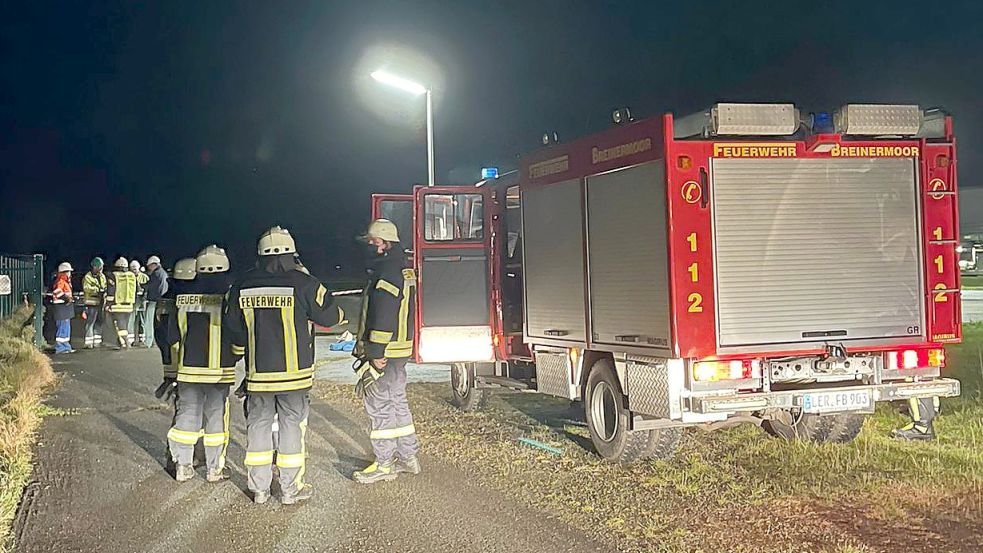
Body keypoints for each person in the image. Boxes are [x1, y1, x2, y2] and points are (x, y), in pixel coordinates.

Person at [224, 226, 345, 505]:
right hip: (295, 377)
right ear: (292, 253)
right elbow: (331, 316)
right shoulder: (304, 283)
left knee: (258, 428)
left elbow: (234, 329)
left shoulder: (242, 286)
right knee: (292, 428)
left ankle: (259, 489)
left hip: (259, 376)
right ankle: (291, 489)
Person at [352, 218, 420, 484]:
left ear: (385, 243)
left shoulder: (386, 271)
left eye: (374, 241)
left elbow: (384, 313)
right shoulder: (404, 268)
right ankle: (408, 457)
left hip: (385, 351)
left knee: (379, 405)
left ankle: (384, 464)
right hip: (400, 348)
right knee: (397, 402)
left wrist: (375, 351)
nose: (370, 245)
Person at [165, 246, 239, 483]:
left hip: (188, 370)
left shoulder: (181, 299)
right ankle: (214, 469)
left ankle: (183, 466)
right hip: (219, 371)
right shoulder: (228, 297)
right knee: (216, 419)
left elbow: (172, 337)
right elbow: (236, 332)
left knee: (186, 418)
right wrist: (237, 354)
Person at [104, 257, 137, 349]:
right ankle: (122, 342)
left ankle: (126, 343)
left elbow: (111, 291)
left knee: (119, 325)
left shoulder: (113, 276)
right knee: (124, 324)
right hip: (129, 305)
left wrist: (108, 304)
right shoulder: (131, 276)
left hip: (117, 305)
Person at [143, 255, 169, 349]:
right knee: (157, 323)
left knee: (149, 322)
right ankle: (153, 341)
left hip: (154, 301)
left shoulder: (156, 274)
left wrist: (141, 286)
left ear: (154, 264)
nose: (149, 268)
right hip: (162, 302)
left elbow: (149, 286)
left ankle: (148, 342)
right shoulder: (164, 273)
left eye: (150, 266)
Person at [81, 257, 107, 348]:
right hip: (91, 303)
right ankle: (88, 342)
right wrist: (97, 290)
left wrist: (104, 290)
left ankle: (97, 342)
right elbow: (86, 288)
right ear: (94, 267)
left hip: (100, 303)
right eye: (99, 267)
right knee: (90, 322)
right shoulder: (88, 277)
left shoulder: (102, 276)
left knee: (99, 322)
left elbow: (104, 286)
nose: (101, 269)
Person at [50, 262, 75, 354]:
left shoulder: (65, 281)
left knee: (66, 328)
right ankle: (60, 348)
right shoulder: (61, 281)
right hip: (61, 309)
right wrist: (66, 298)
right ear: (64, 272)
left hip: (64, 309)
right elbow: (57, 292)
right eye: (68, 272)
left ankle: (66, 347)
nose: (70, 274)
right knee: (62, 328)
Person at [128, 260, 150, 346]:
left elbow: (148, 287)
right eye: (132, 269)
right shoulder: (129, 277)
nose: (134, 271)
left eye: (135, 269)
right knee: (131, 319)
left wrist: (144, 292)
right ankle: (130, 340)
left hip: (142, 300)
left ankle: (142, 339)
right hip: (132, 300)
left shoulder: (144, 277)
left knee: (142, 320)